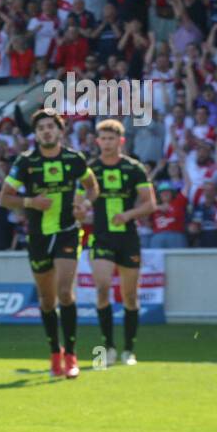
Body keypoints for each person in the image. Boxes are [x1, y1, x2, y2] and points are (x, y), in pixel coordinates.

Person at [0, 109, 99, 379]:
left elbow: (92, 187)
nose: (46, 131)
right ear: (36, 133)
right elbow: (4, 198)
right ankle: (55, 352)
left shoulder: (74, 159)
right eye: (41, 127)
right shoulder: (26, 162)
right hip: (38, 236)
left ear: (60, 131)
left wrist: (85, 204)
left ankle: (72, 355)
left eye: (50, 127)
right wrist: (31, 202)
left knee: (65, 293)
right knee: (46, 300)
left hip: (68, 231)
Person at [85, 120, 156, 366]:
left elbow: (150, 203)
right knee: (102, 289)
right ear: (97, 141)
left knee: (130, 295)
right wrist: (80, 209)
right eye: (103, 139)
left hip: (128, 238)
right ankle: (109, 347)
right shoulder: (91, 169)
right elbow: (80, 200)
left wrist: (127, 215)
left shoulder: (134, 168)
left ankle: (129, 349)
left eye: (111, 139)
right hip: (101, 237)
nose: (107, 143)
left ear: (121, 141)